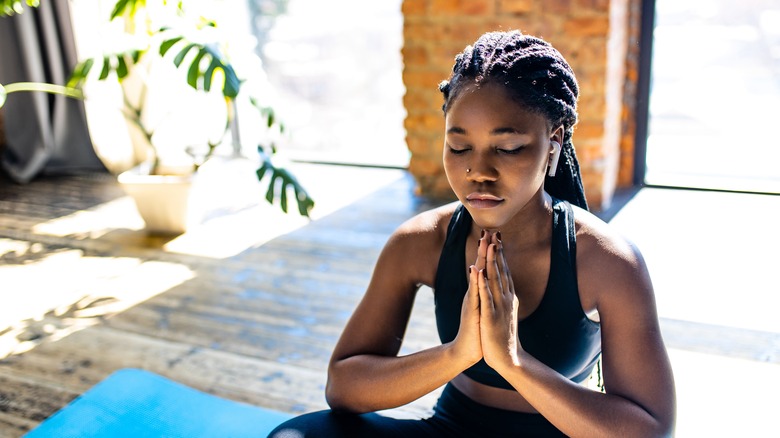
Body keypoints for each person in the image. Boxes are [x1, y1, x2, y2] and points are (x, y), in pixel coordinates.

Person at [269, 30, 675, 437]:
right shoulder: (421, 241)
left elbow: (651, 431)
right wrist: (458, 353)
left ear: (553, 142)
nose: (478, 171)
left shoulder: (607, 261)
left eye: (509, 148)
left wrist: (512, 361)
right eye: (459, 148)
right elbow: (342, 386)